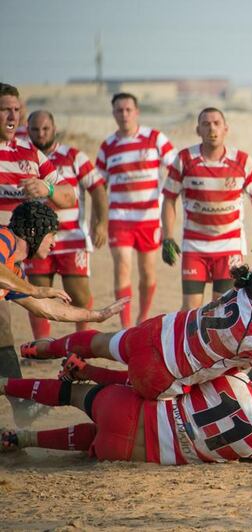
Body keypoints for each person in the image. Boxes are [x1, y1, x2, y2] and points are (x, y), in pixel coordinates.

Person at [21, 261, 252, 464]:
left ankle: (44, 348)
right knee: (139, 405)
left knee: (100, 342)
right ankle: (85, 374)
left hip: (157, 331)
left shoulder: (242, 290)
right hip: (160, 375)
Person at [0, 201, 126, 424]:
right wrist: (36, 289)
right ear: (33, 231)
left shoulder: (14, 272)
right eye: (51, 235)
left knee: (3, 345)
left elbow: (47, 308)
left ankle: (22, 408)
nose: (54, 243)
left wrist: (96, 315)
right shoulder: (4, 238)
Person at [1, 82, 78, 422]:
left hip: (16, 260)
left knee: (15, 324)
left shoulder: (30, 153)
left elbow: (69, 197)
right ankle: (20, 409)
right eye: (5, 109)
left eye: (17, 109)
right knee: (3, 329)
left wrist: (47, 187)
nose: (12, 116)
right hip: (2, 256)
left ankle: (20, 409)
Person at [0, 373, 252, 464]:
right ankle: (22, 439)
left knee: (72, 392)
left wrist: (95, 370)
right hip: (128, 453)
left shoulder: (234, 378)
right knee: (93, 440)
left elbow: (165, 381)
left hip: (125, 409)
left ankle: (6, 385)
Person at [161, 107, 252, 310]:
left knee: (224, 308)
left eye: (216, 123)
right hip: (194, 246)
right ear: (198, 130)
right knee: (190, 311)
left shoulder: (242, 161)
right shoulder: (184, 159)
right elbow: (169, 199)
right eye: (206, 124)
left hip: (229, 246)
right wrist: (167, 237)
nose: (212, 128)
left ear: (225, 129)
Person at [24, 110, 109, 339]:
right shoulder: (21, 158)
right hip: (35, 241)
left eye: (45, 129)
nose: (41, 134)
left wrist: (101, 223)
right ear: (27, 130)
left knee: (79, 296)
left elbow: (98, 189)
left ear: (54, 128)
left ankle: (83, 345)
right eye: (35, 129)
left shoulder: (73, 156)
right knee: (37, 295)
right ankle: (41, 346)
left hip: (72, 239)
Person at [96, 92, 176, 327]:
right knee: (122, 266)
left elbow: (176, 168)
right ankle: (125, 325)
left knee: (147, 271)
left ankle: (143, 318)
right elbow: (98, 185)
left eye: (128, 110)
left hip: (149, 217)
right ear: (113, 114)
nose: (124, 115)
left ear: (137, 112)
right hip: (119, 217)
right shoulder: (108, 146)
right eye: (119, 110)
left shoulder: (155, 138)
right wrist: (98, 220)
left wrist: (169, 203)